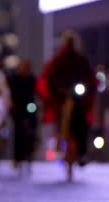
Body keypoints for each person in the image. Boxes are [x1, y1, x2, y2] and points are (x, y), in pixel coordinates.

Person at [36, 30, 96, 165]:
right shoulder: (58, 61)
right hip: (61, 98)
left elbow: (89, 78)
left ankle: (82, 153)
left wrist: (86, 88)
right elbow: (50, 78)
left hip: (78, 99)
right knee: (60, 119)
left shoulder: (81, 60)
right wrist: (57, 90)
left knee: (82, 124)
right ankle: (59, 142)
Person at [8, 60, 37, 170]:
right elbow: (10, 93)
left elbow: (38, 92)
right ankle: (17, 158)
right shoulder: (14, 80)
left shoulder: (32, 80)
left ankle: (32, 146)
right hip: (18, 109)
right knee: (17, 131)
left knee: (33, 125)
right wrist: (12, 105)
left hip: (30, 107)